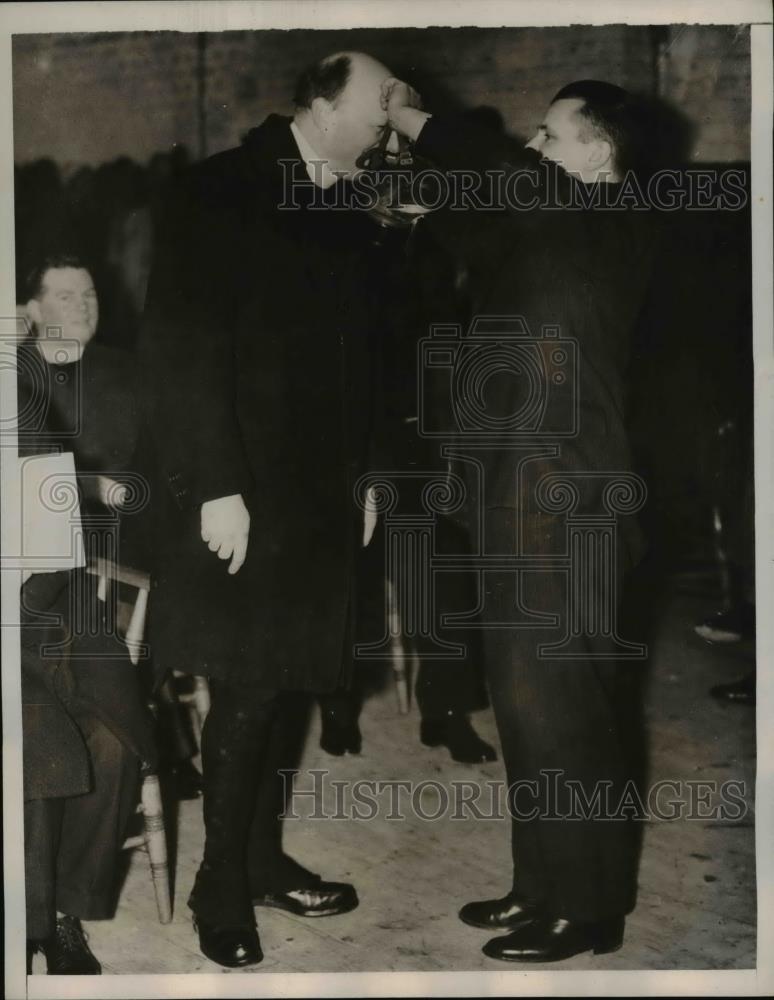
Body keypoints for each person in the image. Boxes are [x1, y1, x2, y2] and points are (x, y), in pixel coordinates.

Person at [138, 52, 413, 968]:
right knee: (247, 687)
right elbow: (181, 350)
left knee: (290, 673)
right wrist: (218, 486)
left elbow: (370, 359)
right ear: (325, 102)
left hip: (322, 498)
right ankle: (224, 886)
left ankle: (259, 857)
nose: (393, 117)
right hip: (241, 493)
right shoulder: (221, 190)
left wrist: (371, 474)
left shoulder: (344, 202)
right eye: (381, 102)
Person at [384, 78, 658, 962]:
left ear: (599, 153)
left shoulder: (610, 220)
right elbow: (486, 235)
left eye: (551, 133)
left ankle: (591, 908)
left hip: (569, 502)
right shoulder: (550, 230)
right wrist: (424, 207)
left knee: (566, 709)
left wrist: (405, 114)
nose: (535, 147)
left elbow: (502, 178)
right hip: (517, 495)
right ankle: (541, 883)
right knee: (528, 705)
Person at [19, 255, 157, 974]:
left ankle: (68, 911)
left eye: (90, 293)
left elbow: (150, 479)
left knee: (115, 731)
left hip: (82, 582)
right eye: (62, 295)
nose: (81, 306)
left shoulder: (127, 374)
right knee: (43, 742)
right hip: (22, 598)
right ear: (30, 309)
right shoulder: (15, 380)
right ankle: (32, 916)